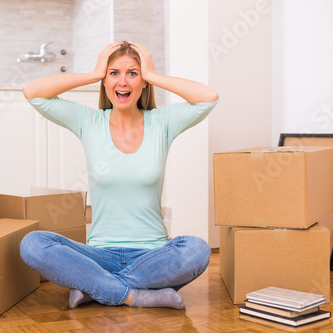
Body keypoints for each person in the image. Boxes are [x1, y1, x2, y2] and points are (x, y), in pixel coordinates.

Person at [20, 41, 219, 309]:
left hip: (153, 255)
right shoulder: (88, 121)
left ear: (143, 82)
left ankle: (95, 287)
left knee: (197, 249)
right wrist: (93, 73)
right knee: (33, 243)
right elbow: (32, 92)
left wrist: (153, 74)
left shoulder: (162, 122)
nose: (122, 82)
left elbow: (208, 97)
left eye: (132, 73)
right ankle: (135, 295)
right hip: (99, 254)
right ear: (105, 80)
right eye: (114, 73)